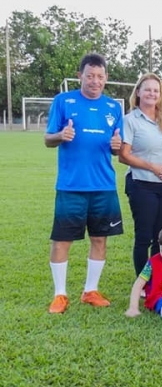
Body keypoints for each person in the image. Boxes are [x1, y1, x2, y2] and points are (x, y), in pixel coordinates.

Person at [45, 53, 124, 313]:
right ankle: (60, 294)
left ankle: (90, 290)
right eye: (90, 76)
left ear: (106, 78)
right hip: (71, 186)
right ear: (80, 76)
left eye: (100, 76)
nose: (95, 81)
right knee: (61, 240)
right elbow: (48, 139)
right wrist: (60, 134)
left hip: (103, 186)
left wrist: (116, 146)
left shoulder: (113, 107)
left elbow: (116, 146)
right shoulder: (63, 101)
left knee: (100, 240)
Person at [119, 73, 162, 277]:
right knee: (144, 236)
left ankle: (158, 278)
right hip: (142, 184)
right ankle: (143, 282)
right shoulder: (130, 120)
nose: (152, 94)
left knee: (161, 236)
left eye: (156, 90)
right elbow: (124, 156)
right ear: (138, 92)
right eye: (148, 89)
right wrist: (152, 167)